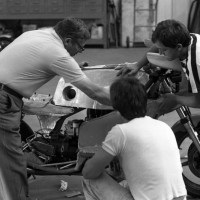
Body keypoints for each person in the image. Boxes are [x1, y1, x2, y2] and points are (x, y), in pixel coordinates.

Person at [0, 17, 111, 200]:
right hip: (4, 99)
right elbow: (94, 92)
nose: (80, 52)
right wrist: (126, 102)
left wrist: (72, 67)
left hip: (6, 92)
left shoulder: (40, 34)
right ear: (68, 40)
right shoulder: (57, 53)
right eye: (80, 47)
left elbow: (42, 59)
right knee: (13, 160)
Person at [81, 76, 187, 200]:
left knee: (90, 180)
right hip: (180, 197)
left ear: (116, 108)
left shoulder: (120, 132)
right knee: (123, 183)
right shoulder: (164, 126)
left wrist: (87, 161)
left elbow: (89, 172)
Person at [116, 19, 200, 114]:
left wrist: (175, 99)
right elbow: (159, 45)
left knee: (183, 94)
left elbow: (198, 101)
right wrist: (138, 65)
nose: (160, 53)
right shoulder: (190, 38)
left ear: (179, 47)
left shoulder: (194, 64)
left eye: (163, 50)